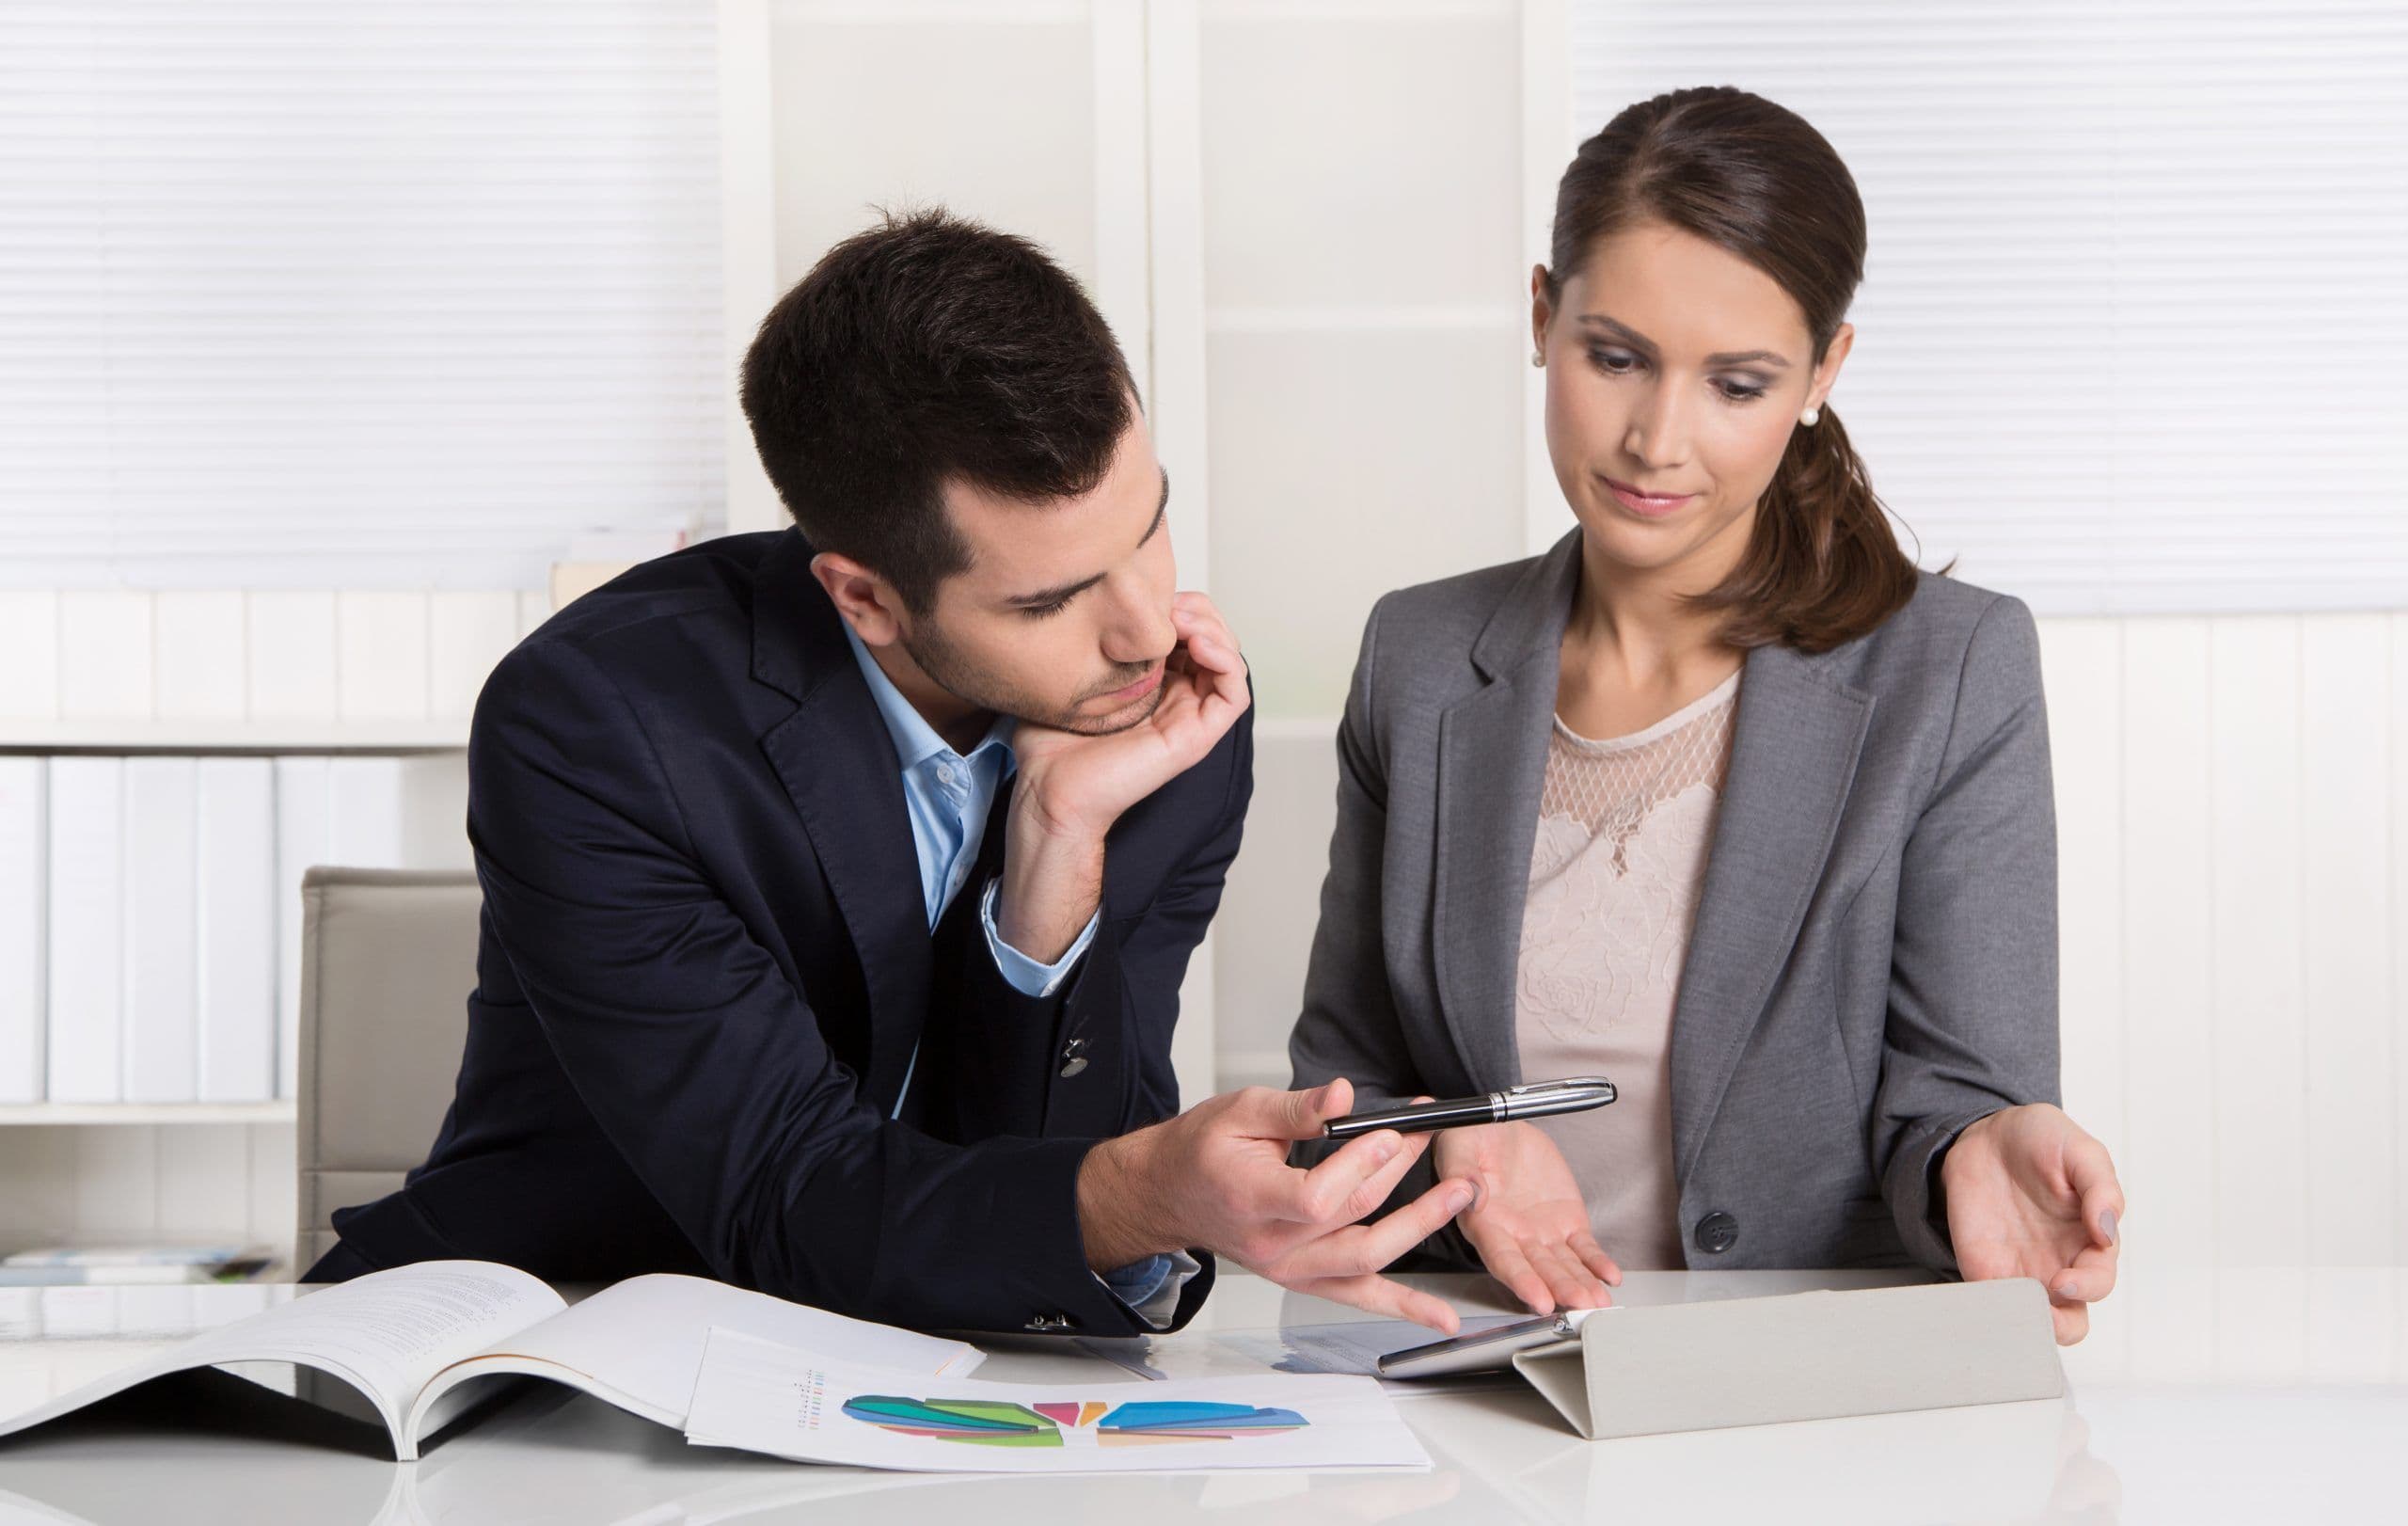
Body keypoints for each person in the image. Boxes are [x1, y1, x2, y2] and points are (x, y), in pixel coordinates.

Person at [309, 210, 1475, 1337]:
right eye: (1050, 599)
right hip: (549, 1332)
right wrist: (1146, 1194)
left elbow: (1057, 1155)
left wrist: (1055, 851)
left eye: (1148, 528)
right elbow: (782, 1188)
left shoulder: (1157, 714)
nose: (1142, 628)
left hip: (921, 1367)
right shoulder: (601, 721)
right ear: (862, 596)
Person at [1288, 87, 2126, 1344]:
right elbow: (1331, 1108)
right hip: (1481, 1375)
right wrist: (1457, 1149)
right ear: (1541, 317)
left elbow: (1958, 1093)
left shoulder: (1951, 670)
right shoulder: (1418, 659)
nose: (1656, 439)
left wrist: (1979, 1146)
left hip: (1807, 1390)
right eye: (1615, 357)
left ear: (1822, 373)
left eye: (1736, 383)